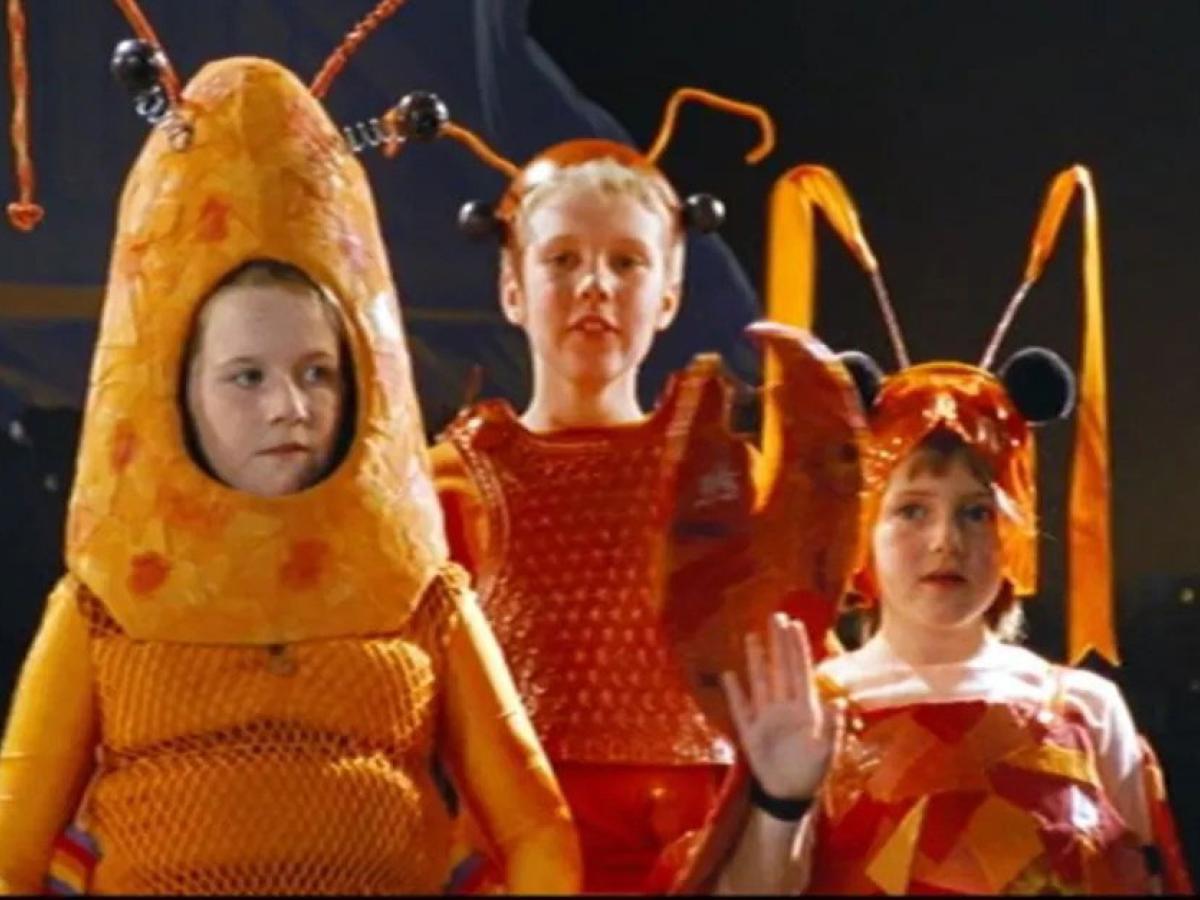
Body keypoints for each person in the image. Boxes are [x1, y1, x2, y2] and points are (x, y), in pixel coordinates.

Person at [0, 7, 579, 892]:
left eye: (317, 372)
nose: (290, 406)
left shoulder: (424, 597)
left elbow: (539, 829)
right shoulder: (100, 608)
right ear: (176, 393)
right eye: (246, 377)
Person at [704, 164, 1193, 895]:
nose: (946, 541)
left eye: (976, 510)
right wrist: (781, 798)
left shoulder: (1086, 709)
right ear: (862, 527)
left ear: (1016, 528)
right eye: (911, 510)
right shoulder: (810, 708)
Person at [388, 87, 780, 892]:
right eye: (562, 259)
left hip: (700, 857)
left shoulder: (729, 479)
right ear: (512, 288)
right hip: (509, 857)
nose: (594, 285)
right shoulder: (449, 481)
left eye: (626, 262)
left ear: (669, 295)